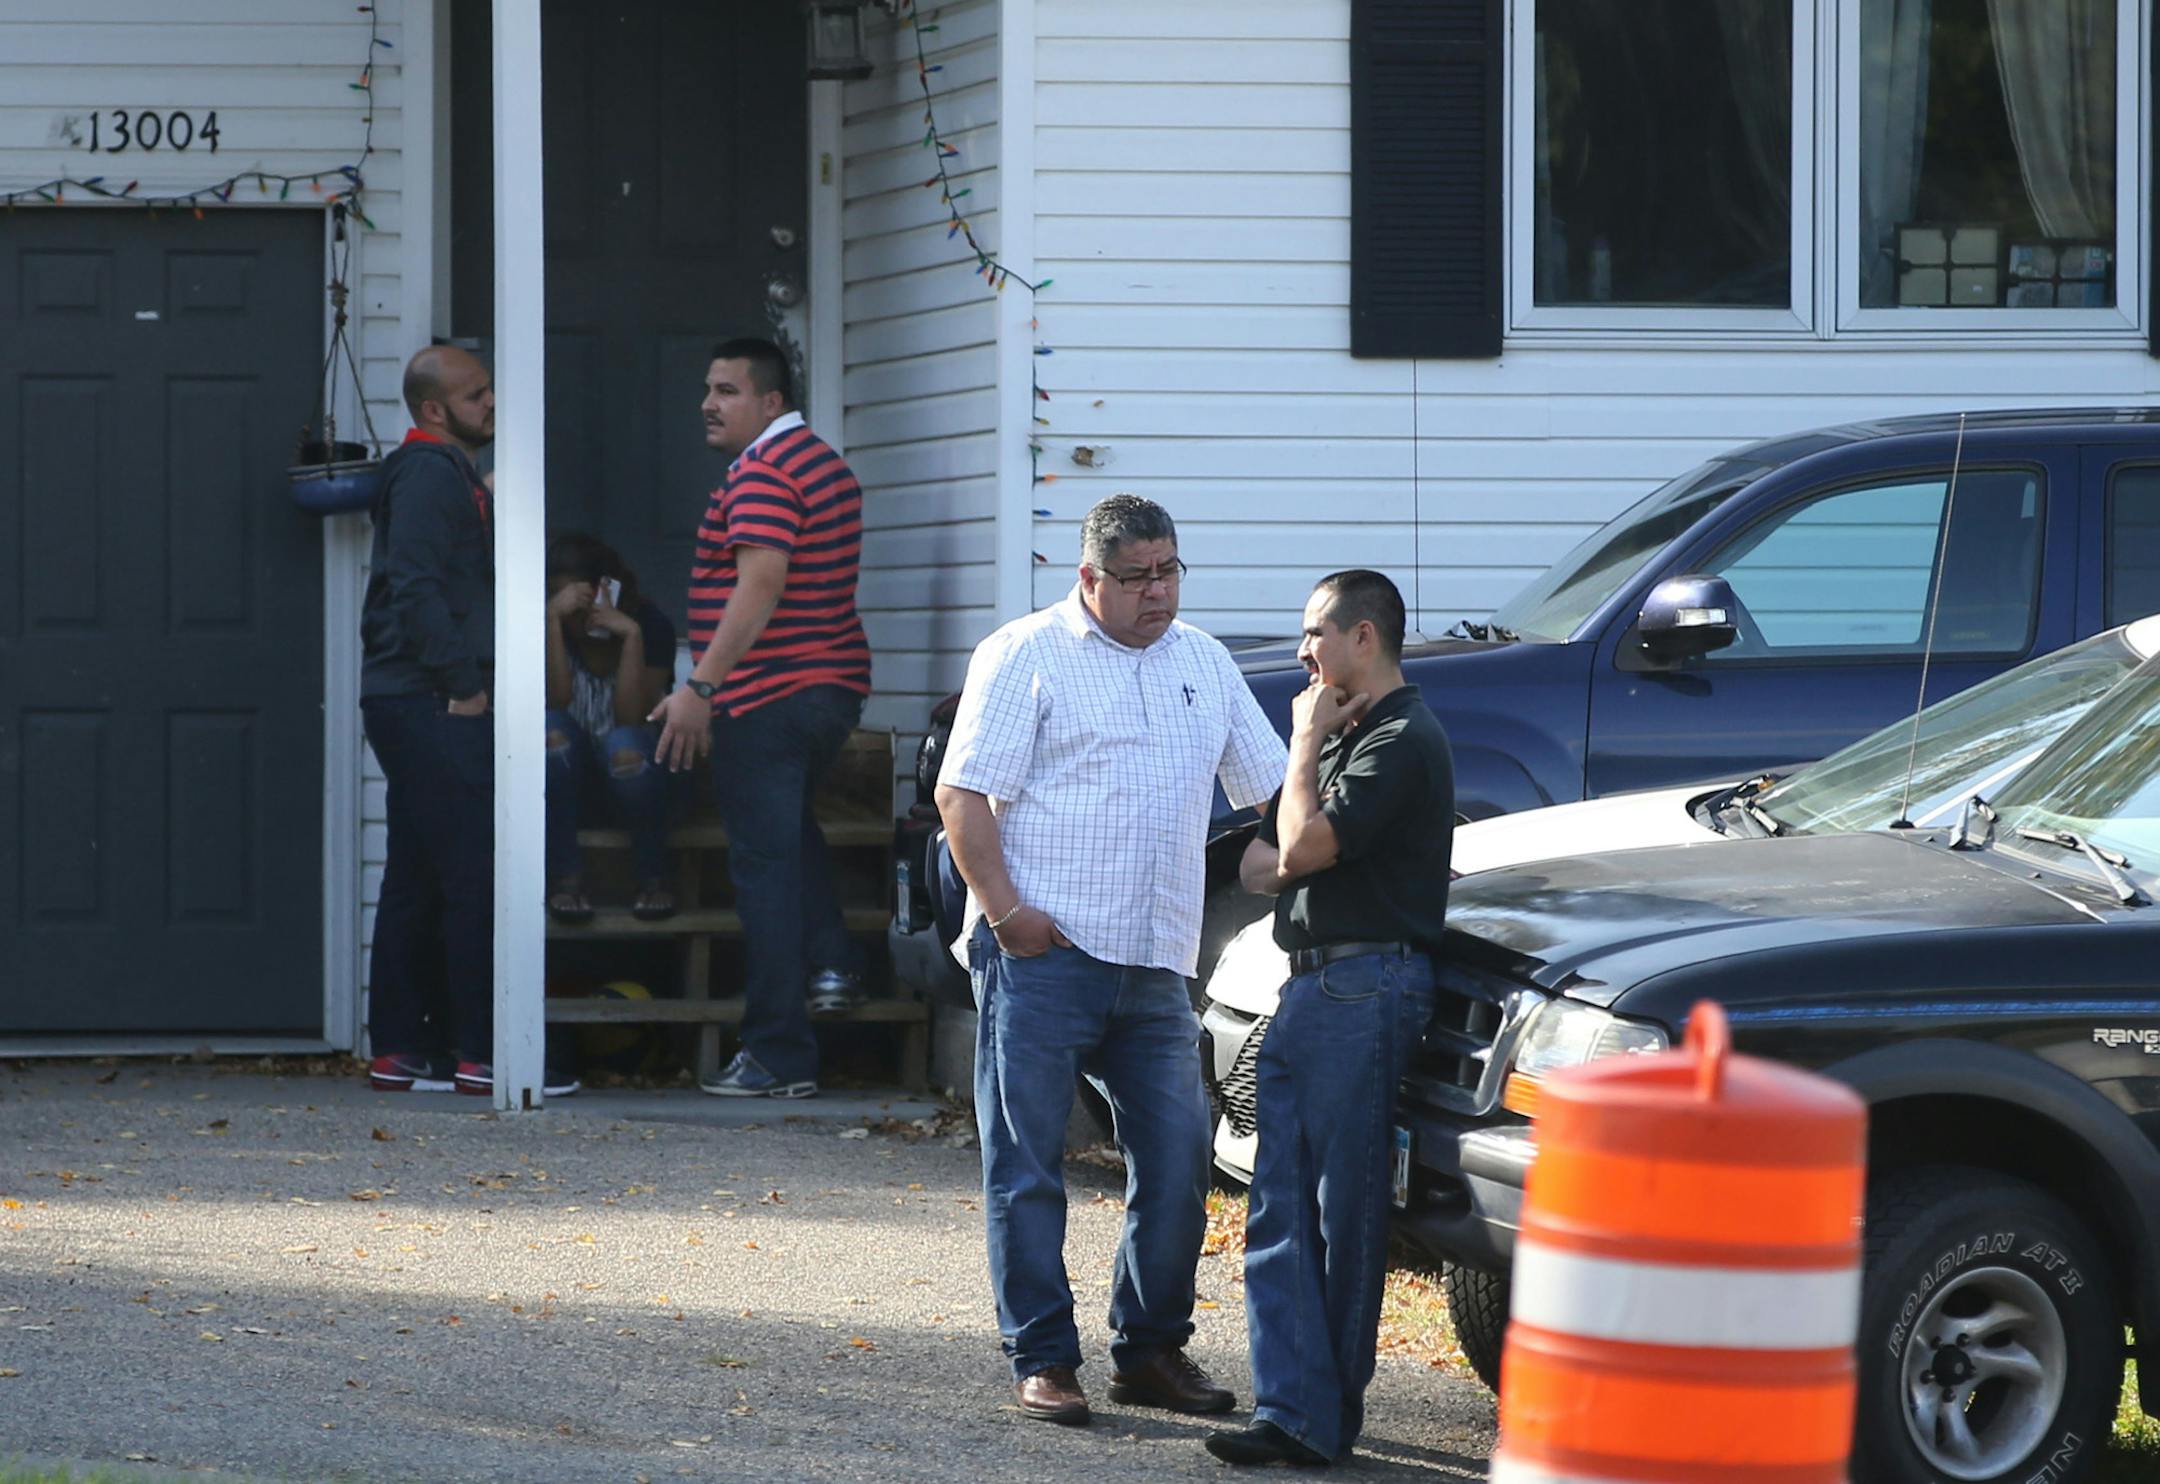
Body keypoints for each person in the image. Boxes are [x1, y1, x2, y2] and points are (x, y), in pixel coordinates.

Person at [934, 493, 1287, 1427]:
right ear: (1089, 577)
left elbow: (1273, 795)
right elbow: (961, 797)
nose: (1158, 593)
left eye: (1170, 571)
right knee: (1028, 1165)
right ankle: (1044, 1356)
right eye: (1137, 577)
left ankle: (1152, 1350)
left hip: (1156, 962)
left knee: (1177, 1159)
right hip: (1042, 954)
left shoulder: (1203, 662)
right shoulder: (1025, 655)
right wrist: (1008, 918)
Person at [1207, 570, 1453, 1468]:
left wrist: (1305, 742)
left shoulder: (1400, 739)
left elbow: (1300, 848)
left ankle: (1319, 1418)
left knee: (1338, 1211)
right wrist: (1305, 796)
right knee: (1276, 1206)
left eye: (1316, 633)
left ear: (1363, 639)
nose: (1304, 652)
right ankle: (1287, 1407)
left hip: (1364, 986)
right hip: (1310, 986)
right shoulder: (1352, 737)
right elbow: (1259, 866)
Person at [651, 337, 873, 1097]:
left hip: (767, 695)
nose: (708, 404)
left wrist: (700, 688)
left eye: (727, 391)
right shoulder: (822, 464)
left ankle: (779, 1053)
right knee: (789, 838)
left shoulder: (764, 472)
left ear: (771, 402)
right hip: (829, 690)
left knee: (764, 872)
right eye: (707, 389)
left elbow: (763, 579)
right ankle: (835, 962)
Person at [359, 344, 577, 1101]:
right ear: (433, 410)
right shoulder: (425, 474)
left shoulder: (448, 474)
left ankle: (400, 1049)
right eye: (477, 394)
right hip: (428, 698)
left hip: (414, 697)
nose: (491, 403)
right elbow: (413, 585)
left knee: (418, 871)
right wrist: (463, 686)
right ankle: (483, 1051)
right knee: (470, 874)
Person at [543, 533, 680, 922]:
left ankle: (653, 878)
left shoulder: (650, 626)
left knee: (625, 743)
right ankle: (565, 879)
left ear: (607, 589)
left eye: (579, 594)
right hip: (571, 784)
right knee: (551, 730)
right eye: (560, 595)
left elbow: (633, 719)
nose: (574, 608)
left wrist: (630, 636)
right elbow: (556, 701)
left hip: (636, 784)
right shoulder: (549, 624)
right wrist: (552, 619)